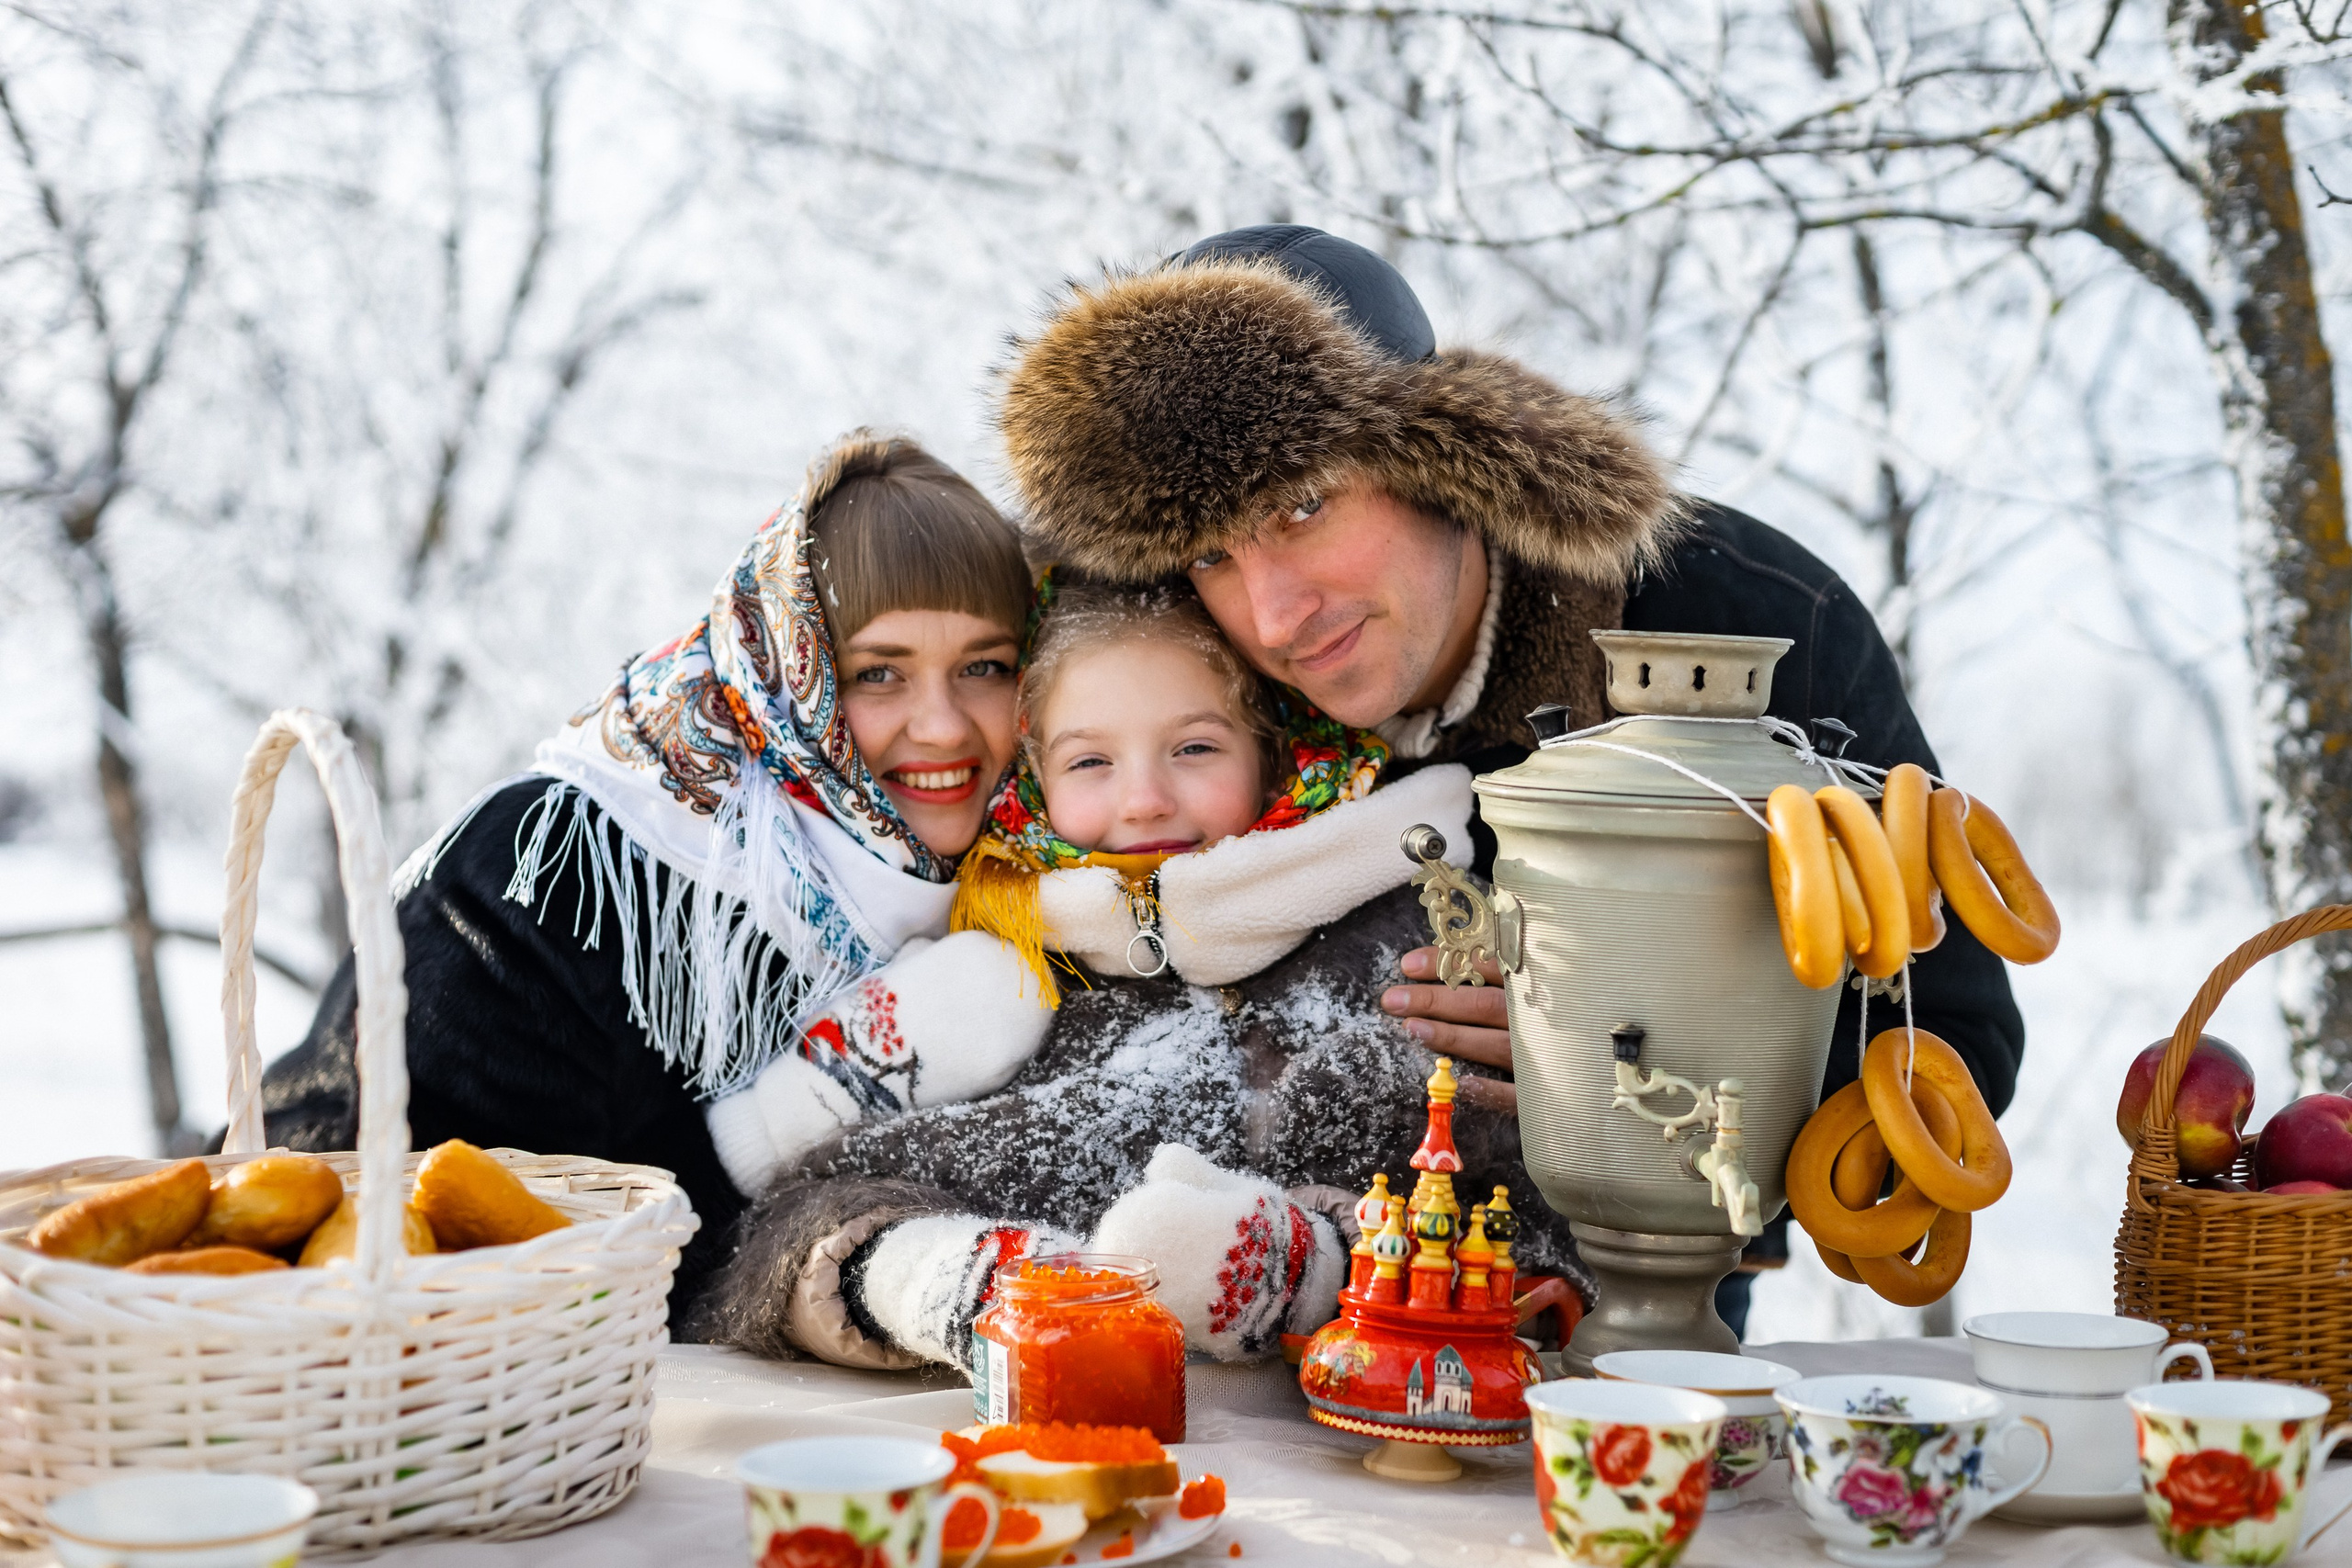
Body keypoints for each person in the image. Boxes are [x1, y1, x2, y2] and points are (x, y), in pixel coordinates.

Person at [991, 225, 2027, 1334]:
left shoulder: (1740, 623)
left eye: (1302, 507)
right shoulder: (1185, 675)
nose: (1275, 614)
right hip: (1237, 1276)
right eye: (1209, 554)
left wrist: (1642, 1057)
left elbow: (1951, 1045)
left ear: (1443, 462)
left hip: (1624, 1299)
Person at [253, 434, 1036, 1322]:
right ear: (786, 670)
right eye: (878, 673)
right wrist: (783, 1118)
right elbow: (490, 1234)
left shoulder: (995, 874)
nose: (942, 726)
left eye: (985, 666)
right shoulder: (565, 868)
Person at [691, 583, 1544, 1370]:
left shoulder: (1406, 926)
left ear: (1273, 751)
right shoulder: (1009, 964)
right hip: (1033, 1421)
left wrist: (1322, 1255)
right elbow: (789, 1221)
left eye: (1195, 747)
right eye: (1091, 762)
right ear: (1034, 776)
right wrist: (922, 1274)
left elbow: (1512, 1202)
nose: (1144, 800)